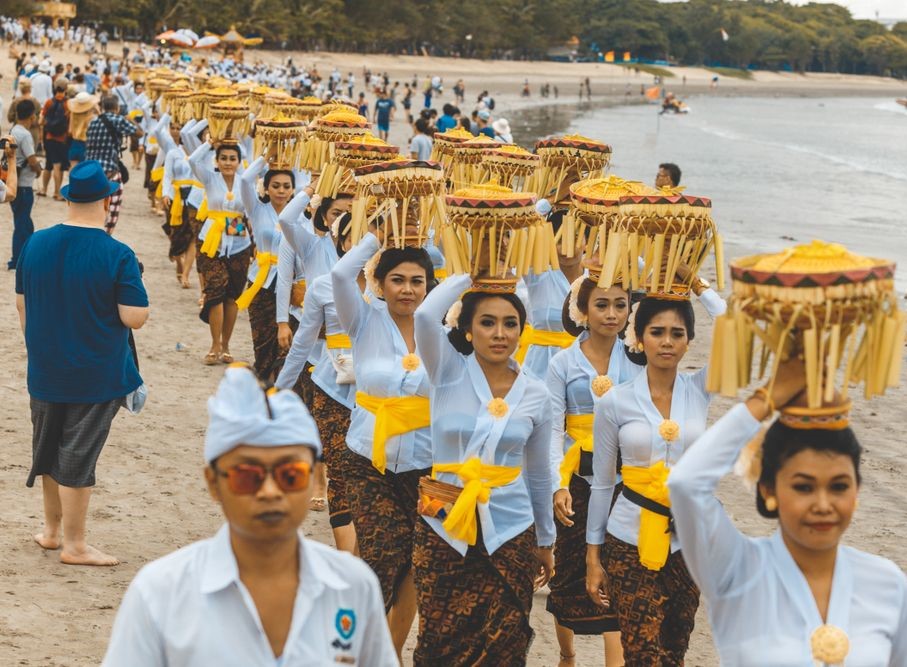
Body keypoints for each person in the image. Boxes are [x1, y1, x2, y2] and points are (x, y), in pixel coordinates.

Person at [101, 365, 397, 666]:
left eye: (290, 475)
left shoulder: (352, 587)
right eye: (247, 476)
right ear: (214, 484)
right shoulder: (161, 593)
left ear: (311, 481)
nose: (269, 491)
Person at [670, 359, 907, 664]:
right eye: (803, 487)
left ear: (857, 490)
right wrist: (766, 399)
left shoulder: (887, 582)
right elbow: (685, 482)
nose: (823, 505)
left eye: (838, 486)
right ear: (768, 489)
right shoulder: (737, 571)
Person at [412, 273, 555, 665]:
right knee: (440, 638)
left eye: (510, 324)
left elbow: (539, 472)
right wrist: (470, 276)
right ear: (468, 329)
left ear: (522, 331)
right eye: (487, 322)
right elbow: (425, 315)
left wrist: (545, 539)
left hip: (511, 525)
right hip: (441, 519)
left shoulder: (536, 393)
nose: (499, 333)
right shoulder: (446, 371)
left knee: (505, 638)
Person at [585, 279, 726, 665]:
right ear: (639, 337)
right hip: (627, 537)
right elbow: (601, 484)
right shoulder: (614, 401)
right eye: (657, 332)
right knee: (641, 651)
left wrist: (698, 286)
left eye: (677, 334)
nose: (667, 342)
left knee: (673, 649)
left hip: (688, 540)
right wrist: (593, 557)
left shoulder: (699, 389)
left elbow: (738, 330)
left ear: (688, 341)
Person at [15, 159, 149, 567]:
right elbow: (134, 317)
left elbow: (22, 304)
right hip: (96, 372)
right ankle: (75, 544)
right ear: (108, 199)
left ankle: (52, 531)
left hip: (45, 366)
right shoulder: (117, 253)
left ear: (69, 196)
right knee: (77, 455)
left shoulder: (34, 242)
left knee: (49, 449)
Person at [331, 227, 435, 661]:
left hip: (429, 464)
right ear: (380, 282)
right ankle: (347, 647)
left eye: (417, 281)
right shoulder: (365, 319)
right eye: (398, 279)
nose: (407, 290)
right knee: (380, 553)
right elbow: (340, 274)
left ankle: (388, 652)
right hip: (366, 458)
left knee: (416, 561)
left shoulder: (445, 331)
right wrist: (380, 235)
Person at [547, 266, 639, 667]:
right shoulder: (562, 364)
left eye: (620, 305)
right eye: (602, 304)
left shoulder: (637, 361)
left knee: (617, 575)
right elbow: (552, 430)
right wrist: (556, 485)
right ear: (583, 310)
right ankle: (567, 656)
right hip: (577, 482)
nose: (612, 314)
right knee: (568, 573)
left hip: (626, 480)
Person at [276, 214, 359, 554]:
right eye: (358, 236)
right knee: (340, 473)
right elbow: (302, 343)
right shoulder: (324, 285)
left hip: (383, 397)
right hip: (333, 387)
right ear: (343, 241)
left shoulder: (399, 289)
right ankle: (347, 562)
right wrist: (278, 390)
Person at [189, 138, 251, 366]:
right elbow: (194, 160)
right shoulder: (210, 178)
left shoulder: (245, 182)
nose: (227, 162)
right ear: (217, 160)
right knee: (214, 293)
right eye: (223, 158)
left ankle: (226, 345)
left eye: (232, 159)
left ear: (239, 161)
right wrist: (210, 143)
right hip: (211, 243)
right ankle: (214, 345)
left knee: (231, 296)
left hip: (239, 244)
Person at [238, 155, 296, 381]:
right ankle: (263, 380)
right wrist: (266, 157)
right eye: (276, 186)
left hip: (290, 283)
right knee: (262, 338)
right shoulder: (257, 209)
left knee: (285, 340)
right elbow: (244, 181)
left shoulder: (299, 215)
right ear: (267, 188)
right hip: (261, 281)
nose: (281, 191)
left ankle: (278, 387)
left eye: (286, 186)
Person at [85, 94, 143, 234]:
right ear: (117, 108)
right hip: (110, 171)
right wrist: (129, 119)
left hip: (90, 171)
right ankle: (106, 236)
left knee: (91, 207)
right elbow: (139, 133)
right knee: (111, 210)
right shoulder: (118, 120)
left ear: (103, 107)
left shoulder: (93, 122)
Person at [8, 99, 42, 270]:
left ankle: (25, 256)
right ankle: (17, 260)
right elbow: (32, 160)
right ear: (31, 115)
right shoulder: (26, 135)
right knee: (22, 224)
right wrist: (39, 169)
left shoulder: (13, 130)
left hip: (13, 184)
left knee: (24, 223)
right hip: (24, 185)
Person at [38, 78, 69, 200]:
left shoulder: (48, 102)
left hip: (48, 137)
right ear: (66, 89)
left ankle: (44, 189)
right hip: (61, 139)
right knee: (58, 166)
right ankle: (57, 192)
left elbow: (41, 121)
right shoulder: (68, 104)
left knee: (48, 165)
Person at [67, 92, 98, 165]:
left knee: (74, 172)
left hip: (75, 143)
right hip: (87, 145)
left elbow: (70, 131)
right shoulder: (92, 118)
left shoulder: (73, 114)